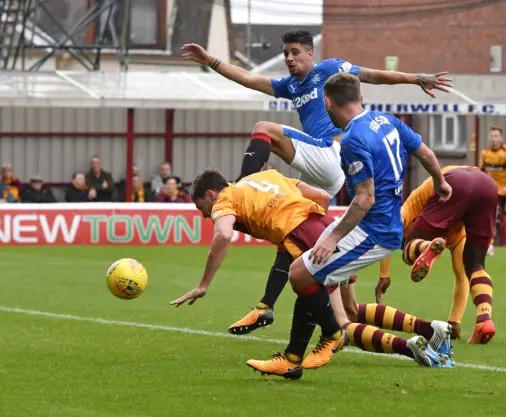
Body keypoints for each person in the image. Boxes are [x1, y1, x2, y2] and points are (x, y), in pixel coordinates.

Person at [182, 29, 453, 334]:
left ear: (311, 54)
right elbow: (248, 78)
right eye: (286, 53)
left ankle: (244, 185)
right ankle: (268, 307)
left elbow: (373, 75)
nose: (289, 58)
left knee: (264, 128)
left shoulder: (329, 70)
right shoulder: (290, 86)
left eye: (295, 52)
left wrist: (416, 78)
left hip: (334, 151)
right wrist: (211, 61)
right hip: (325, 175)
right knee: (294, 236)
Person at [248, 73, 453, 378]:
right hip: (377, 224)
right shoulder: (386, 120)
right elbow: (424, 152)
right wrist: (440, 182)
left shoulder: (353, 140)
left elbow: (365, 198)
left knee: (304, 274)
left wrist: (333, 239)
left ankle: (321, 341)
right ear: (358, 96)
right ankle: (298, 354)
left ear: (328, 102)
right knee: (307, 273)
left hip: (374, 230)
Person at [170, 168, 450, 380]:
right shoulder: (265, 175)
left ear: (210, 195)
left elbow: (223, 234)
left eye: (202, 209)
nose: (206, 215)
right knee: (350, 309)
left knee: (336, 317)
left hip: (305, 236)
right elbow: (321, 196)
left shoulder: (224, 201)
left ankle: (410, 346)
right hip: (326, 226)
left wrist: (203, 284)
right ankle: (430, 329)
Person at [376, 166, 504, 342]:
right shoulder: (456, 232)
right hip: (487, 184)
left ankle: (427, 246)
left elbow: (386, 235)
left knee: (408, 251)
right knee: (474, 266)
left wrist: (384, 275)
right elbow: (460, 278)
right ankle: (484, 320)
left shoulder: (406, 211)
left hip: (452, 183)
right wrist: (454, 322)